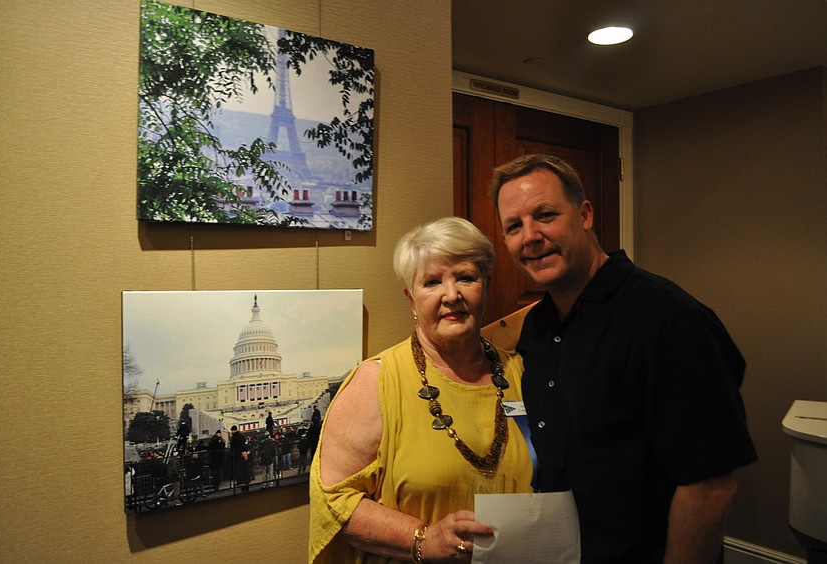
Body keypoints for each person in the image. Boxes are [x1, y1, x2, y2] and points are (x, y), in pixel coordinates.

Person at [489, 153, 758, 563]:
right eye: (514, 226)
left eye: (545, 215)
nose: (530, 236)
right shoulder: (539, 328)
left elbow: (709, 484)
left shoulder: (666, 319)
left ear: (584, 214)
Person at [309, 217, 533, 563]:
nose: (452, 295)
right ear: (411, 299)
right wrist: (423, 539)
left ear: (485, 287)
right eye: (432, 282)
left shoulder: (523, 372)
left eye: (466, 277)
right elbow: (332, 502)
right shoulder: (376, 382)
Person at [229, 425, 250, 493]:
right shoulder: (241, 436)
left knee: (239, 472)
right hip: (243, 456)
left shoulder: (235, 438)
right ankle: (246, 485)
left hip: (237, 456)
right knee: (245, 471)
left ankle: (242, 486)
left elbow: (233, 446)